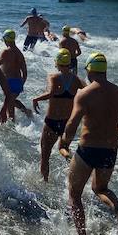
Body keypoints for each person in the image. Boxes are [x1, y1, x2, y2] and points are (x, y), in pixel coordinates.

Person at [61, 52, 118, 235]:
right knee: (101, 189)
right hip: (109, 150)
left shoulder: (84, 94)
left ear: (89, 70)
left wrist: (64, 141)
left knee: (74, 194)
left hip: (88, 149)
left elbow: (72, 124)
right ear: (104, 71)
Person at [32, 48, 84, 180]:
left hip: (52, 122)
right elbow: (89, 92)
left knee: (45, 154)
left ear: (57, 63)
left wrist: (36, 98)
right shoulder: (77, 80)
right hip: (68, 123)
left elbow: (50, 93)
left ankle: (45, 181)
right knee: (63, 147)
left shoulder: (53, 77)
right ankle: (68, 157)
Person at [0, 29, 31, 120]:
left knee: (10, 105)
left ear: (5, 39)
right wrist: (22, 83)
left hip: (9, 82)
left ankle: (12, 124)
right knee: (11, 100)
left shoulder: (6, 51)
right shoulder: (19, 53)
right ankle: (26, 111)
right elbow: (24, 71)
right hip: (18, 81)